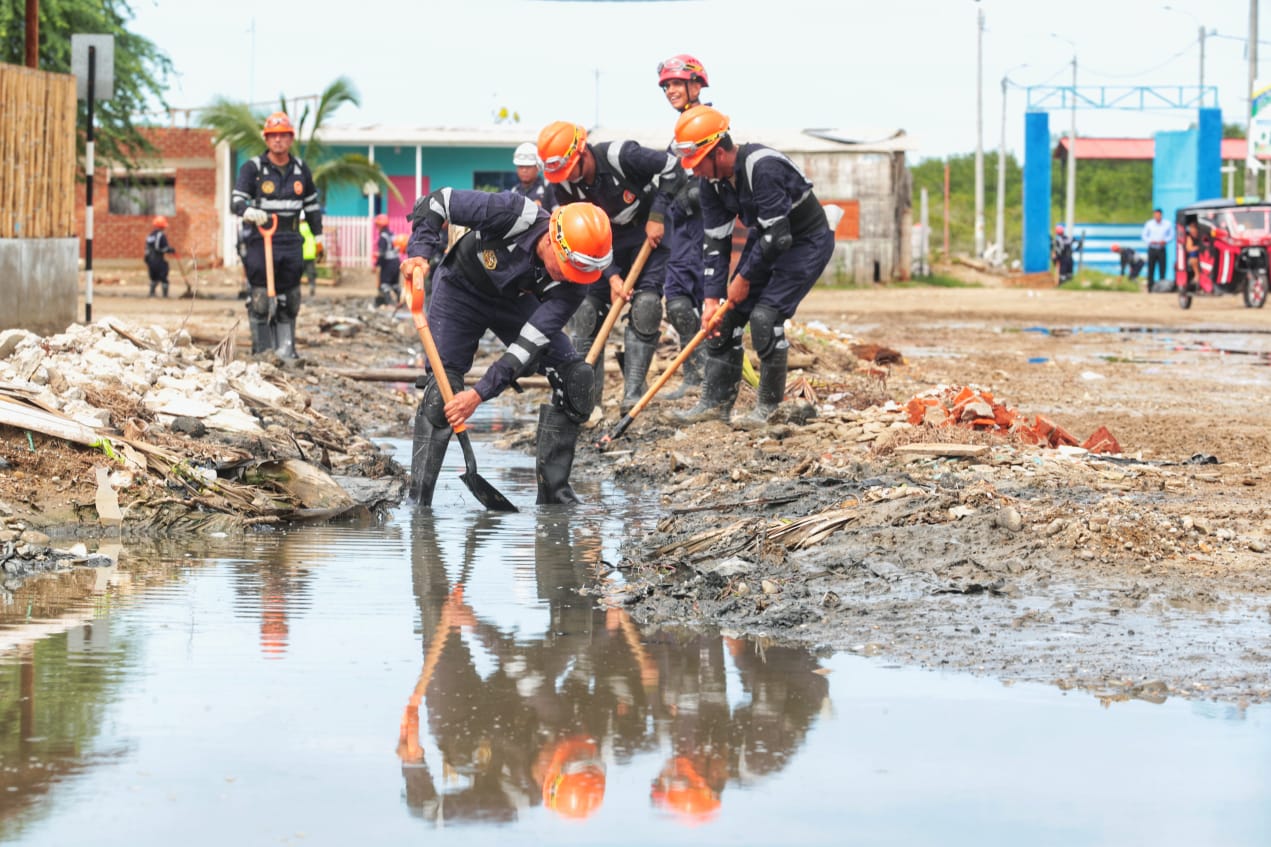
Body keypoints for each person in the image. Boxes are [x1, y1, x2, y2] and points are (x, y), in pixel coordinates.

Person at [401, 190, 613, 506]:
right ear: (552, 240)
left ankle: (555, 502)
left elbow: (527, 347)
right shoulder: (514, 213)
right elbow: (437, 201)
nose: (570, 277)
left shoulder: (577, 282)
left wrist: (479, 395)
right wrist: (420, 252)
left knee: (576, 379)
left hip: (515, 302)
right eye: (565, 267)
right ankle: (418, 503)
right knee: (441, 394)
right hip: (461, 288)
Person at [671, 106, 835, 429]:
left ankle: (769, 409)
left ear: (718, 153)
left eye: (698, 162)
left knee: (765, 318)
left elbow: (779, 237)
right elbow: (715, 242)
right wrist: (711, 300)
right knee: (724, 319)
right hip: (766, 238)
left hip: (805, 241)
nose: (696, 171)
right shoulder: (711, 183)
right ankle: (715, 404)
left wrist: (744, 278)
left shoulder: (763, 167)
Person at [538, 121, 683, 415]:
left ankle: (634, 392)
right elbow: (575, 237)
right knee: (586, 312)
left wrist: (657, 215)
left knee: (646, 306)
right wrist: (612, 275)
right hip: (602, 245)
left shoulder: (622, 156)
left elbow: (674, 169)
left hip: (648, 234)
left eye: (570, 170)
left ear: (583, 153)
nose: (567, 179)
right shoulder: (562, 186)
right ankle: (588, 401)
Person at [231, 111, 324, 358]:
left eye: (283, 135)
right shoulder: (253, 168)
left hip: (291, 239)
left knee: (290, 297)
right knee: (260, 297)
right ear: (266, 139)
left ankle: (286, 350)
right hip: (261, 239)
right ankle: (262, 351)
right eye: (273, 136)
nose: (278, 140)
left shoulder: (301, 169)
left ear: (291, 138)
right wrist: (248, 211)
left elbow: (311, 207)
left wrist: (319, 236)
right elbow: (236, 200)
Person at [657, 53, 712, 398]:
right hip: (679, 232)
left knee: (706, 305)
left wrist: (693, 192)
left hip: (705, 231)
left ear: (696, 85)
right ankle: (694, 374)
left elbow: (715, 173)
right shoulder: (679, 131)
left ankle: (713, 379)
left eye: (677, 83)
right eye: (666, 86)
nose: (671, 91)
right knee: (677, 304)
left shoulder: (707, 122)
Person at [510, 142, 555, 211]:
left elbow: (558, 212)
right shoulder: (514, 191)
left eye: (528, 166)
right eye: (521, 166)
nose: (524, 170)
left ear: (537, 167)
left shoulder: (548, 187)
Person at [372, 213, 402, 306]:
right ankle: (401, 302)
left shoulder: (383, 237)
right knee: (395, 284)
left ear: (379, 226)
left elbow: (382, 253)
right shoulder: (392, 235)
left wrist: (376, 264)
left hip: (388, 263)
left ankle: (389, 303)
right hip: (396, 262)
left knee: (385, 284)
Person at [144, 216, 175, 298]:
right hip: (157, 259)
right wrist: (170, 250)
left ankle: (151, 293)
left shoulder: (150, 235)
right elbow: (159, 248)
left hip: (149, 259)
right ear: (163, 226)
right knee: (163, 276)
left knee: (154, 277)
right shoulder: (160, 235)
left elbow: (147, 248)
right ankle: (165, 295)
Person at [1141, 207, 1172, 292]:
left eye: (1158, 215)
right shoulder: (1149, 224)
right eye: (1155, 214)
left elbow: (1171, 235)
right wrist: (1150, 241)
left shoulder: (1167, 224)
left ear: (1161, 215)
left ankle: (1162, 288)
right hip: (1152, 248)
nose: (1157, 216)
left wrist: (1165, 241)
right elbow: (1144, 235)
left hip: (1161, 249)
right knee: (1151, 268)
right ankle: (1150, 287)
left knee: (1162, 268)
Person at [299, 218, 318, 297]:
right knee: (311, 273)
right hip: (310, 254)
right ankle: (312, 286)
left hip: (300, 254)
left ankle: (296, 289)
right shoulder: (311, 228)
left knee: (297, 274)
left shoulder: (297, 228)